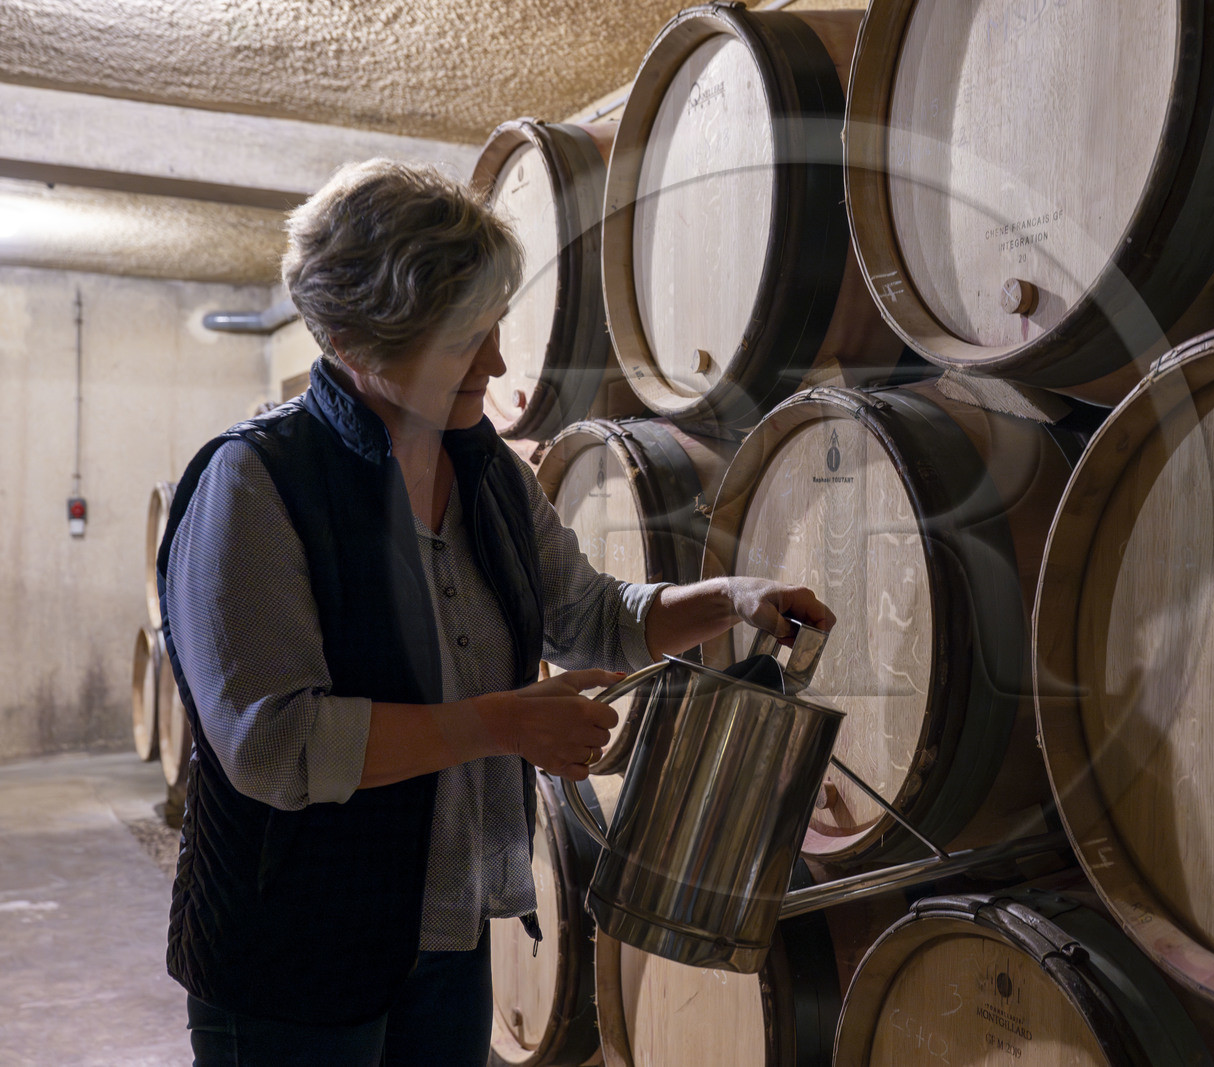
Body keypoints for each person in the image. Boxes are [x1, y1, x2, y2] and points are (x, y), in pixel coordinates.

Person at [157, 158, 834, 1065]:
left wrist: (730, 598)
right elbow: (270, 744)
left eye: (495, 325)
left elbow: (591, 612)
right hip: (296, 952)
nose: (499, 360)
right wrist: (497, 724)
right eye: (463, 335)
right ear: (366, 338)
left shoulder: (485, 470)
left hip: (446, 937)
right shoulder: (259, 482)